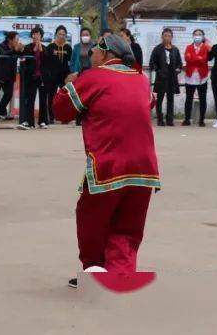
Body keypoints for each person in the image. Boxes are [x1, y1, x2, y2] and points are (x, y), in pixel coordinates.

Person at [51, 35, 161, 287]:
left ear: (105, 53)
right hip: (145, 169)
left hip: (108, 167)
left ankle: (94, 272)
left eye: (93, 51)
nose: (90, 56)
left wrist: (70, 84)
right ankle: (120, 273)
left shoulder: (93, 77)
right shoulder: (141, 80)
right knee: (128, 226)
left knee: (92, 218)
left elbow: (61, 110)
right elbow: (149, 102)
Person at [149, 28, 182, 127]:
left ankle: (170, 119)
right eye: (165, 36)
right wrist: (158, 71)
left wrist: (178, 69)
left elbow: (179, 63)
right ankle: (160, 119)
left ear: (172, 37)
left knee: (170, 99)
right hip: (161, 78)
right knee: (160, 99)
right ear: (162, 37)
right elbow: (152, 63)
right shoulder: (157, 49)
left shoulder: (175, 49)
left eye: (169, 36)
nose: (167, 37)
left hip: (172, 78)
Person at [20, 26, 52, 130]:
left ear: (41, 36)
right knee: (30, 99)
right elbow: (28, 57)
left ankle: (43, 121)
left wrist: (40, 48)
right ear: (31, 35)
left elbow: (46, 59)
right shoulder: (27, 47)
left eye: (38, 34)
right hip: (31, 77)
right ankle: (29, 122)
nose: (36, 36)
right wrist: (35, 48)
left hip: (42, 77)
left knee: (43, 100)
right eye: (34, 34)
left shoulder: (46, 48)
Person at [0, 31, 21, 121]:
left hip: (9, 76)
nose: (18, 41)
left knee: (8, 94)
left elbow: (22, 54)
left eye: (18, 39)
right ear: (10, 40)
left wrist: (21, 50)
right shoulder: (1, 46)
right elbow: (2, 54)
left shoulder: (17, 48)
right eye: (16, 39)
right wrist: (14, 50)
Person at [181, 29, 210, 127]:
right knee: (188, 99)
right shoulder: (188, 47)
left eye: (199, 34)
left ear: (203, 36)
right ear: (193, 36)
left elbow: (204, 59)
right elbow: (187, 58)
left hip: (202, 77)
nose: (197, 36)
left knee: (203, 99)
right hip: (190, 76)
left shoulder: (206, 48)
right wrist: (198, 58)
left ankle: (201, 120)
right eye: (195, 34)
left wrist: (194, 58)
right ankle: (187, 119)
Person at [45, 25, 74, 121]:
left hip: (65, 76)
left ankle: (64, 117)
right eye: (59, 34)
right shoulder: (50, 47)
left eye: (63, 34)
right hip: (52, 76)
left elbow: (71, 62)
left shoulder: (68, 48)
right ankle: (51, 117)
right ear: (56, 35)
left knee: (66, 96)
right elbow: (47, 62)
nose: (61, 36)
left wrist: (71, 74)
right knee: (52, 96)